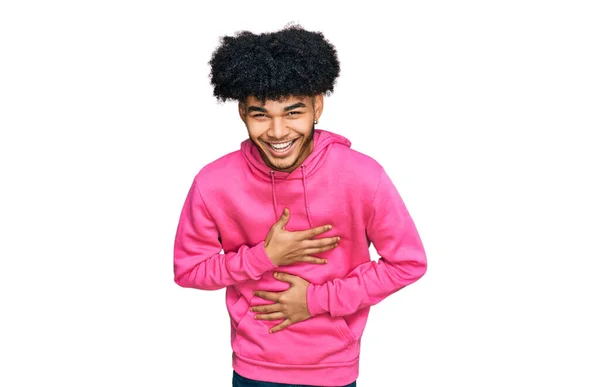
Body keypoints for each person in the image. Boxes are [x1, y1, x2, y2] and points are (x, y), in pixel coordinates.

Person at [173, 24, 427, 387]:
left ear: (317, 106)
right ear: (243, 112)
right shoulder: (213, 182)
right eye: (261, 114)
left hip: (333, 368)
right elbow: (188, 270)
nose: (277, 132)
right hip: (254, 367)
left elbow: (408, 263)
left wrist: (317, 300)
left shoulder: (362, 177)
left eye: (293, 113)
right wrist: (263, 257)